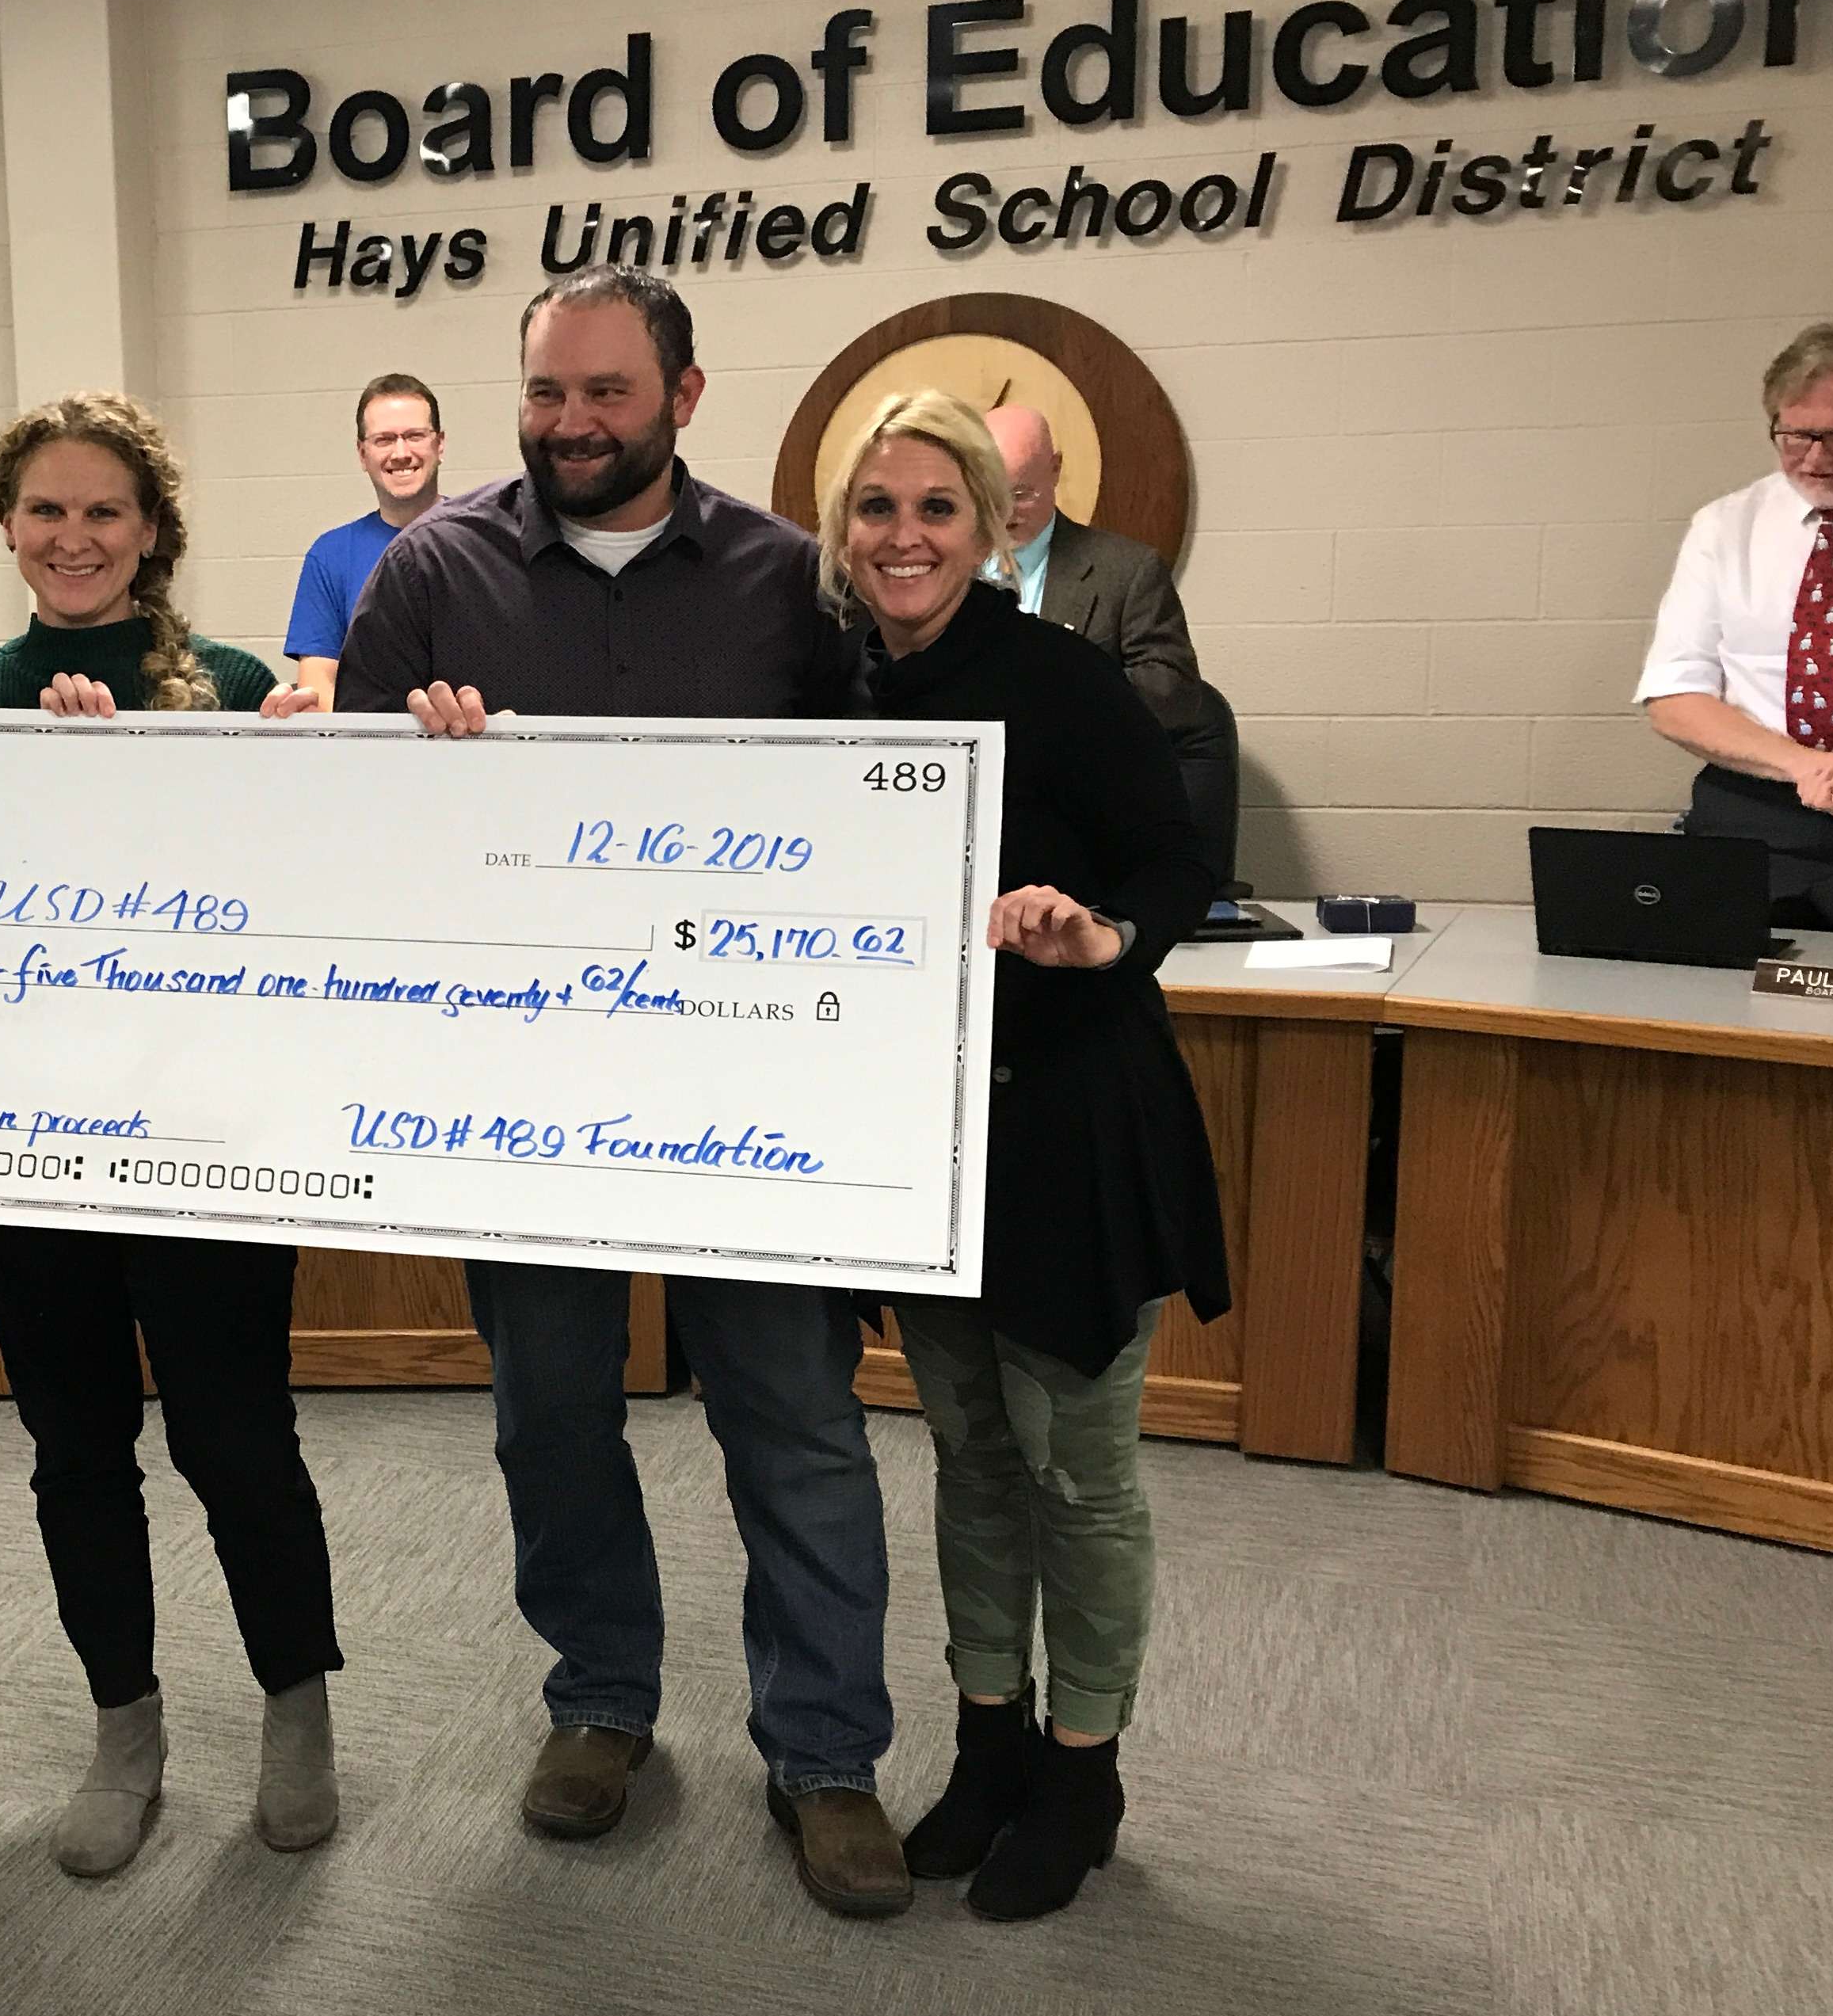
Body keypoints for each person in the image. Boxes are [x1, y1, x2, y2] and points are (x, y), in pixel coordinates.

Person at [336, 267, 905, 1919]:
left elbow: (882, 808)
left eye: (608, 393)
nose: (573, 424)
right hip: (517, 1092)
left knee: (793, 1423)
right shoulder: (431, 572)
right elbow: (341, 843)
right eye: (546, 394)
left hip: (751, 1088)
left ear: (685, 395)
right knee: (551, 1414)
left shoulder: (788, 582)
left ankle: (827, 1755)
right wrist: (414, 777)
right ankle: (600, 1701)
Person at [0, 391, 344, 1878]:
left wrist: (302, 760)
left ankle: (298, 1713)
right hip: (27, 1148)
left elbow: (300, 907)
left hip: (209, 1136)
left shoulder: (228, 686)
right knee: (77, 1447)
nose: (74, 535)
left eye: (104, 510)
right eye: (46, 509)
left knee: (237, 1437)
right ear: (8, 526)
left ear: (151, 530)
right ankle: (127, 1727)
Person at [821, 390, 1229, 1923]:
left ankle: (1082, 1767)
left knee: (1080, 1476)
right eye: (876, 507)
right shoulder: (834, 691)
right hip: (918, 1146)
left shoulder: (1063, 679)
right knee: (974, 1458)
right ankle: (986, 1744)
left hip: (1067, 1127)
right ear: (839, 530)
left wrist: (1104, 933)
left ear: (995, 522)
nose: (902, 536)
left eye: (935, 505)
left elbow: (1178, 855)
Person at [1637, 321, 1833, 932]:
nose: (1814, 457)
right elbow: (1674, 697)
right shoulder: (1726, 526)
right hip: (1753, 811)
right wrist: (1804, 765)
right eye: (1796, 435)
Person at [981, 404, 1202, 728]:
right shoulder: (944, 565)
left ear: (1055, 468)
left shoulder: (1127, 571)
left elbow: (1174, 692)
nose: (1005, 512)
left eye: (1020, 494)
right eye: (990, 495)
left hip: (1078, 763)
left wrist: (1067, 690)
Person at [284, 374, 446, 707]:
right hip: (367, 754)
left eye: (414, 436)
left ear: (439, 444)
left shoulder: (483, 541)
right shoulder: (330, 557)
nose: (401, 453)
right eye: (384, 440)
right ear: (362, 454)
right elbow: (319, 689)